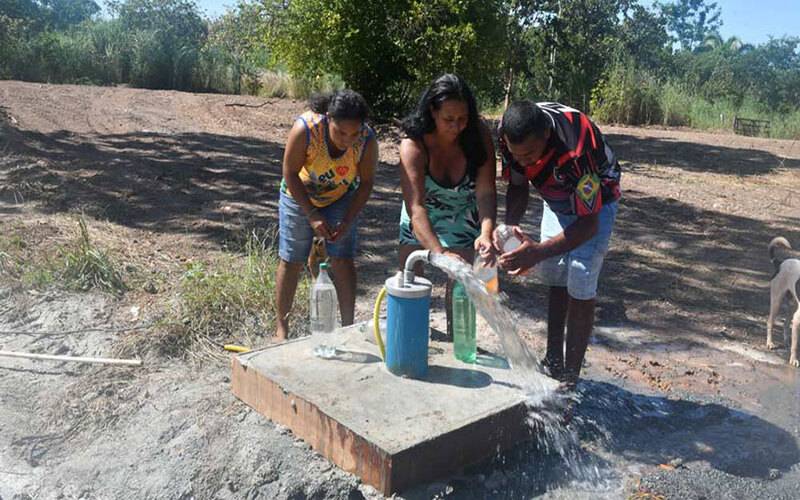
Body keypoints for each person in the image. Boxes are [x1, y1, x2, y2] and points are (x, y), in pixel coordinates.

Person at [495, 101, 621, 389]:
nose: (525, 162)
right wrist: (510, 225)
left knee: (579, 276)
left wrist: (537, 251)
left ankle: (570, 379)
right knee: (555, 274)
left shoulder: (576, 149)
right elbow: (517, 184)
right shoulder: (507, 134)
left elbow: (589, 224)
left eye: (530, 154)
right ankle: (553, 360)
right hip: (557, 195)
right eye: (518, 155)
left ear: (545, 136)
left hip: (598, 198)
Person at [398, 74, 497, 336]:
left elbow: (486, 192)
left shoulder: (479, 136)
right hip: (421, 213)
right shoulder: (413, 144)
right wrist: (439, 252)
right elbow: (416, 208)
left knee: (462, 285)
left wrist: (486, 233)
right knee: (411, 282)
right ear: (432, 111)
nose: (456, 126)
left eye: (462, 119)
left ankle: (458, 341)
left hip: (464, 212)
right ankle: (414, 339)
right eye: (448, 119)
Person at [275, 89, 378, 341]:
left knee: (342, 258)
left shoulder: (367, 140)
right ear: (328, 118)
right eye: (341, 132)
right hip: (298, 194)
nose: (347, 140)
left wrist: (347, 220)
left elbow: (365, 183)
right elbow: (289, 172)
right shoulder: (306, 129)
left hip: (341, 197)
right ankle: (281, 329)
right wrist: (311, 213)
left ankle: (348, 327)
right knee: (292, 259)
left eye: (353, 134)